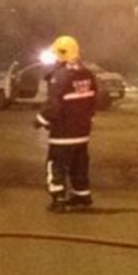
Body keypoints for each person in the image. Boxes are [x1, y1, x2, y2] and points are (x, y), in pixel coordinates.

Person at [34, 35, 99, 213]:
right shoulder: (87, 74)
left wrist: (41, 120)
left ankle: (58, 198)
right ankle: (81, 195)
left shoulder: (60, 76)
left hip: (63, 133)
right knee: (80, 165)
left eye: (56, 54)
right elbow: (93, 100)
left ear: (62, 53)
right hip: (82, 132)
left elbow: (54, 104)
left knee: (56, 164)